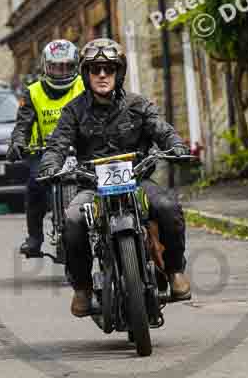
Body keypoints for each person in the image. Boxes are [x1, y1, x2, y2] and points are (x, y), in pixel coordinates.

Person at [39, 38, 191, 317]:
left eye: (108, 69)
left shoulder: (139, 105)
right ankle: (82, 288)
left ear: (118, 72)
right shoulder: (73, 110)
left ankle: (174, 271)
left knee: (168, 207)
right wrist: (50, 165)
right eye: (95, 69)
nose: (102, 75)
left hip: (137, 180)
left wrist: (176, 145)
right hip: (92, 186)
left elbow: (162, 129)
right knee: (72, 222)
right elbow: (57, 144)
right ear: (86, 74)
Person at [7, 40, 84, 257]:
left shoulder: (85, 85)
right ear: (45, 67)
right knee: (35, 186)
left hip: (81, 148)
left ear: (76, 66)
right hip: (43, 151)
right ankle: (35, 238)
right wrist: (17, 143)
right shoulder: (33, 92)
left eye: (67, 66)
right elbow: (22, 125)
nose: (61, 72)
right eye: (55, 67)